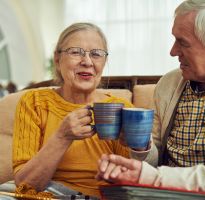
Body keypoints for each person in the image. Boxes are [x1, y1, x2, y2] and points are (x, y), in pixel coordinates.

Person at [96, 0, 205, 199]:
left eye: (183, 42)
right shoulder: (169, 83)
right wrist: (141, 146)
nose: (173, 51)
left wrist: (152, 178)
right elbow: (153, 161)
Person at [12, 22, 133, 198]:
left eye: (96, 54)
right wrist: (62, 136)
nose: (87, 62)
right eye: (76, 52)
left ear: (104, 61)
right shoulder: (34, 103)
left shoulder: (121, 109)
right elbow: (25, 184)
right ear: (57, 59)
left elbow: (131, 184)